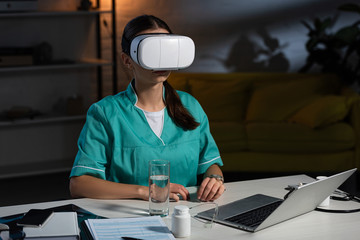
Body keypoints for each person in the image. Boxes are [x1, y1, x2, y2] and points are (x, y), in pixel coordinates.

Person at [69, 15, 225, 202]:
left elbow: (211, 164)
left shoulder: (190, 105)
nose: (160, 61)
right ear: (127, 60)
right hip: (129, 217)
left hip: (186, 215)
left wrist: (215, 178)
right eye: (151, 51)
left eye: (164, 50)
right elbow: (79, 184)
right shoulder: (105, 113)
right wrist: (145, 192)